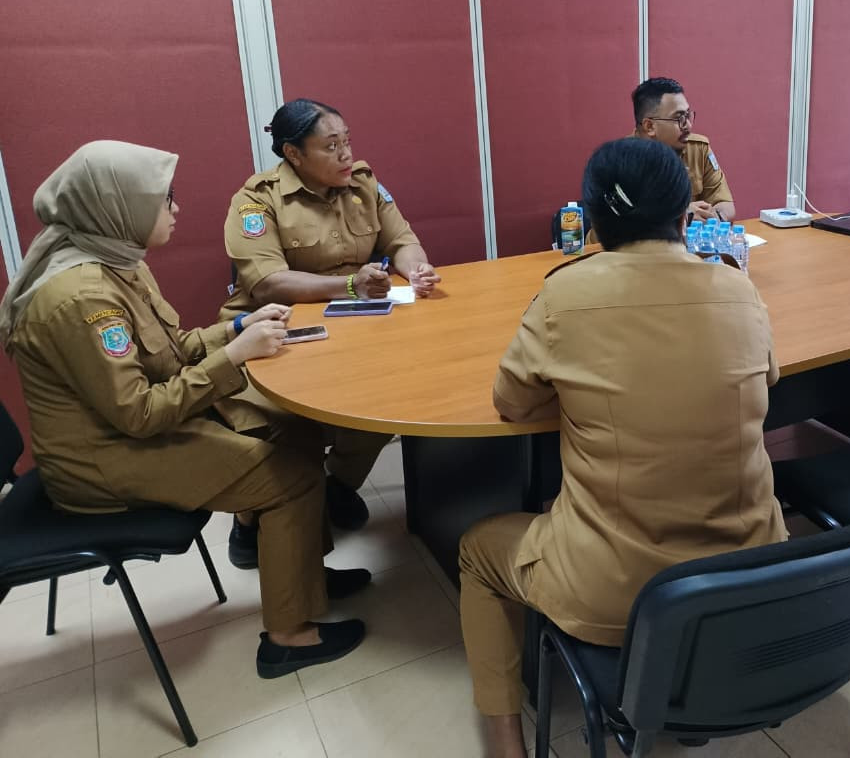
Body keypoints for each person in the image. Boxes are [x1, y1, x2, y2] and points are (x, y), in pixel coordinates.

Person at [458, 137, 785, 758]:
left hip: (617, 591)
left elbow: (512, 403)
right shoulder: (737, 288)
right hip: (749, 570)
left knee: (477, 548)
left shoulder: (564, 295)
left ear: (592, 222)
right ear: (685, 216)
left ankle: (505, 746)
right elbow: (767, 377)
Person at [0, 141, 369, 677]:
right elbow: (140, 414)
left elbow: (169, 351)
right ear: (119, 208)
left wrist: (236, 327)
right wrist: (234, 357)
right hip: (103, 463)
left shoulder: (117, 262)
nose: (176, 208)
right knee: (293, 479)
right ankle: (289, 637)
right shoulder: (82, 297)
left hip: (130, 433)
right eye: (163, 199)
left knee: (296, 432)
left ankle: (302, 575)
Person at [218, 98, 440, 537]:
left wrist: (416, 269)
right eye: (331, 146)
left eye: (347, 142)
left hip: (356, 327)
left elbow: (402, 240)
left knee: (389, 396)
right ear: (293, 154)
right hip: (276, 333)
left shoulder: (363, 184)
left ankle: (338, 485)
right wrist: (351, 285)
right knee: (281, 425)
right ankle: (250, 522)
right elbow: (268, 284)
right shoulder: (256, 201)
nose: (345, 155)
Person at [632, 76, 736, 222]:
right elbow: (621, 222)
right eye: (679, 118)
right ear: (650, 126)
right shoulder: (620, 161)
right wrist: (682, 215)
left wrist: (714, 217)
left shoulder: (697, 149)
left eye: (688, 116)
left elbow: (726, 205)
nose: (688, 126)